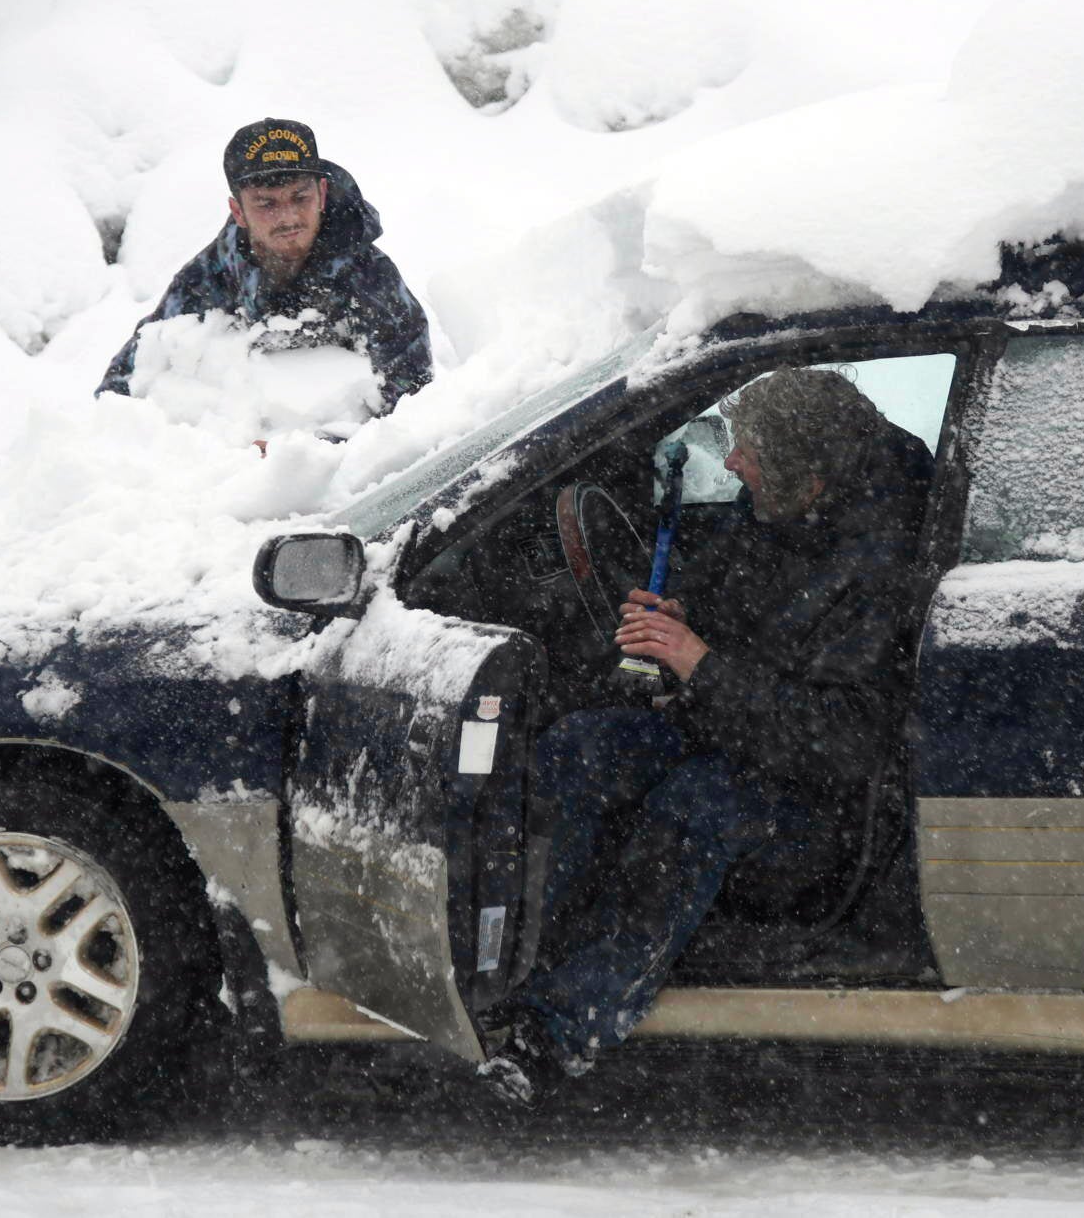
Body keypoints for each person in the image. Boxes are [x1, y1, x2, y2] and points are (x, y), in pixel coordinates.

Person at [478, 367, 936, 1104]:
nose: (731, 461)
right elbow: (742, 608)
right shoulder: (778, 511)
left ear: (807, 472)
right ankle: (517, 961)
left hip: (823, 803)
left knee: (694, 806)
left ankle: (558, 1028)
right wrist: (681, 617)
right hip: (729, 727)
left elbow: (843, 740)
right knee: (581, 748)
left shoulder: (876, 567)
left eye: (746, 448)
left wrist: (699, 662)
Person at [97, 118, 433, 412]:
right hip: (238, 436)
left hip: (336, 443)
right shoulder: (215, 272)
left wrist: (313, 446)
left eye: (300, 198)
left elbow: (414, 399)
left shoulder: (369, 276)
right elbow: (135, 367)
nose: (288, 218)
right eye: (266, 204)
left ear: (322, 193)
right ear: (238, 211)